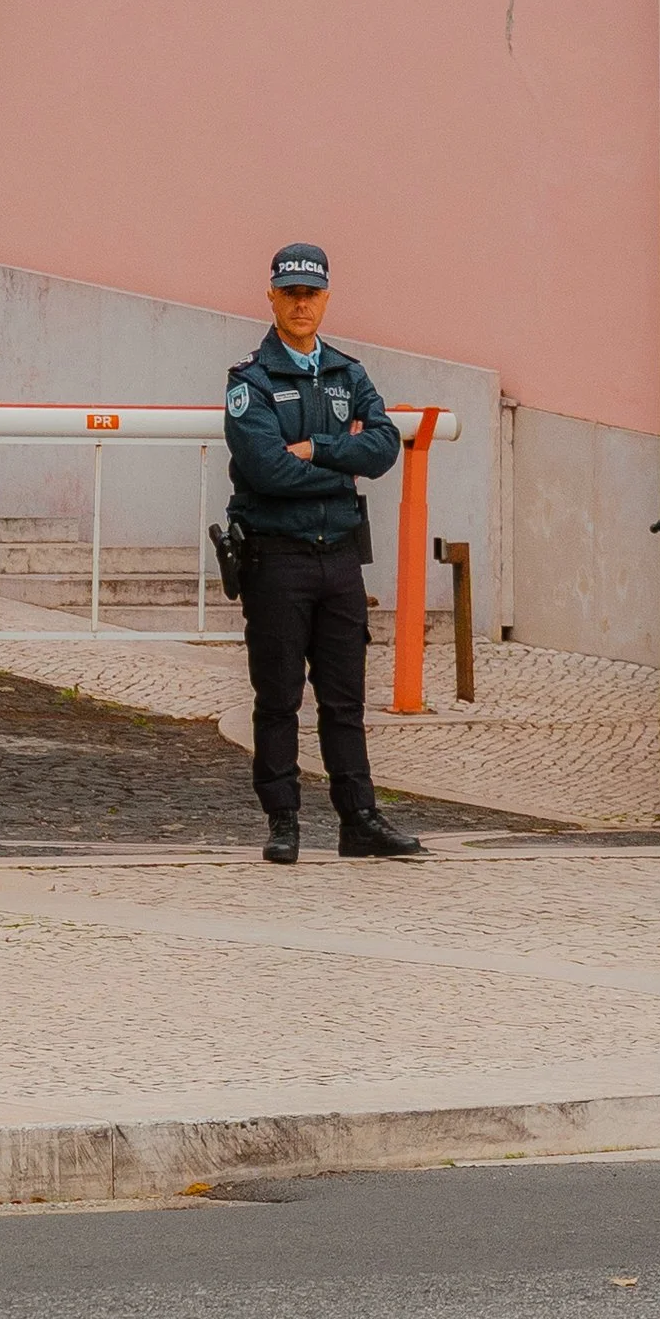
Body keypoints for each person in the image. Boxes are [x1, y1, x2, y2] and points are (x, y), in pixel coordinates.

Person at [222, 243, 424, 866]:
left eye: (312, 293)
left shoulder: (347, 371)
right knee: (278, 695)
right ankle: (283, 821)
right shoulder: (250, 378)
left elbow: (385, 447)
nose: (302, 303)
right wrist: (340, 461)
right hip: (277, 558)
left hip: (339, 557)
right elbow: (266, 469)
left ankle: (358, 820)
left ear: (327, 298)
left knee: (345, 698)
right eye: (291, 292)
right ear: (272, 296)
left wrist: (314, 450)